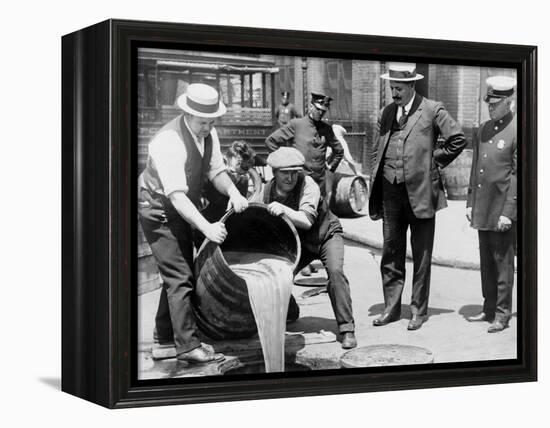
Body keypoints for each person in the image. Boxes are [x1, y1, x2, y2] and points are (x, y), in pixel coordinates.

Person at [138, 83, 249, 363]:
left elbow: (216, 171)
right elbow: (176, 196)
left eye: (212, 122)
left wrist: (234, 191)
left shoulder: (208, 133)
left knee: (180, 273)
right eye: (202, 122)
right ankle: (187, 346)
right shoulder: (169, 141)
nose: (207, 128)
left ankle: (164, 341)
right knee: (180, 276)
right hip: (157, 208)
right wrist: (207, 227)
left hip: (178, 206)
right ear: (187, 114)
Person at [369, 63, 466, 330]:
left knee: (421, 255)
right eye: (391, 88)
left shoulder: (433, 109)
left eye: (398, 88)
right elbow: (378, 150)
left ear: (412, 85)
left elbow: (458, 138)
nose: (394, 94)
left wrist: (433, 161)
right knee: (390, 250)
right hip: (390, 192)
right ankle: (391, 307)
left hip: (422, 192)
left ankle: (418, 311)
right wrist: (374, 180)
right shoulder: (386, 112)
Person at [256, 147, 357, 349]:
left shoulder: (308, 184)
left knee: (336, 274)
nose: (291, 177)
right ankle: (290, 309)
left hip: (326, 234)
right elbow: (251, 211)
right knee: (277, 275)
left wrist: (283, 208)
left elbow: (306, 220)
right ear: (274, 172)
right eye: (285, 172)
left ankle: (347, 329)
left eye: (295, 172)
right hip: (301, 243)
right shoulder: (266, 192)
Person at [465, 76, 517, 333]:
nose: (490, 106)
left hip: (502, 209)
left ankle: (502, 313)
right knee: (486, 260)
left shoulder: (519, 129)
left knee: (503, 263)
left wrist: (509, 212)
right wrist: (469, 201)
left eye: (496, 103)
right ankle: (488, 308)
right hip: (483, 207)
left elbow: (518, 175)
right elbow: (476, 168)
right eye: (489, 102)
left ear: (509, 102)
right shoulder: (483, 128)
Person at [265, 92, 344, 197]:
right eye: (318, 109)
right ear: (311, 106)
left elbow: (339, 151)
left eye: (323, 111)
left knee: (320, 210)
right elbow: (270, 141)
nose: (320, 113)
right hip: (299, 181)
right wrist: (285, 162)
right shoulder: (296, 124)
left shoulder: (327, 129)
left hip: (319, 182)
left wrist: (330, 168)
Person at [200, 140, 258, 224]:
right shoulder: (213, 178)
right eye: (232, 172)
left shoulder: (243, 180)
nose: (236, 177)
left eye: (240, 174)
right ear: (226, 162)